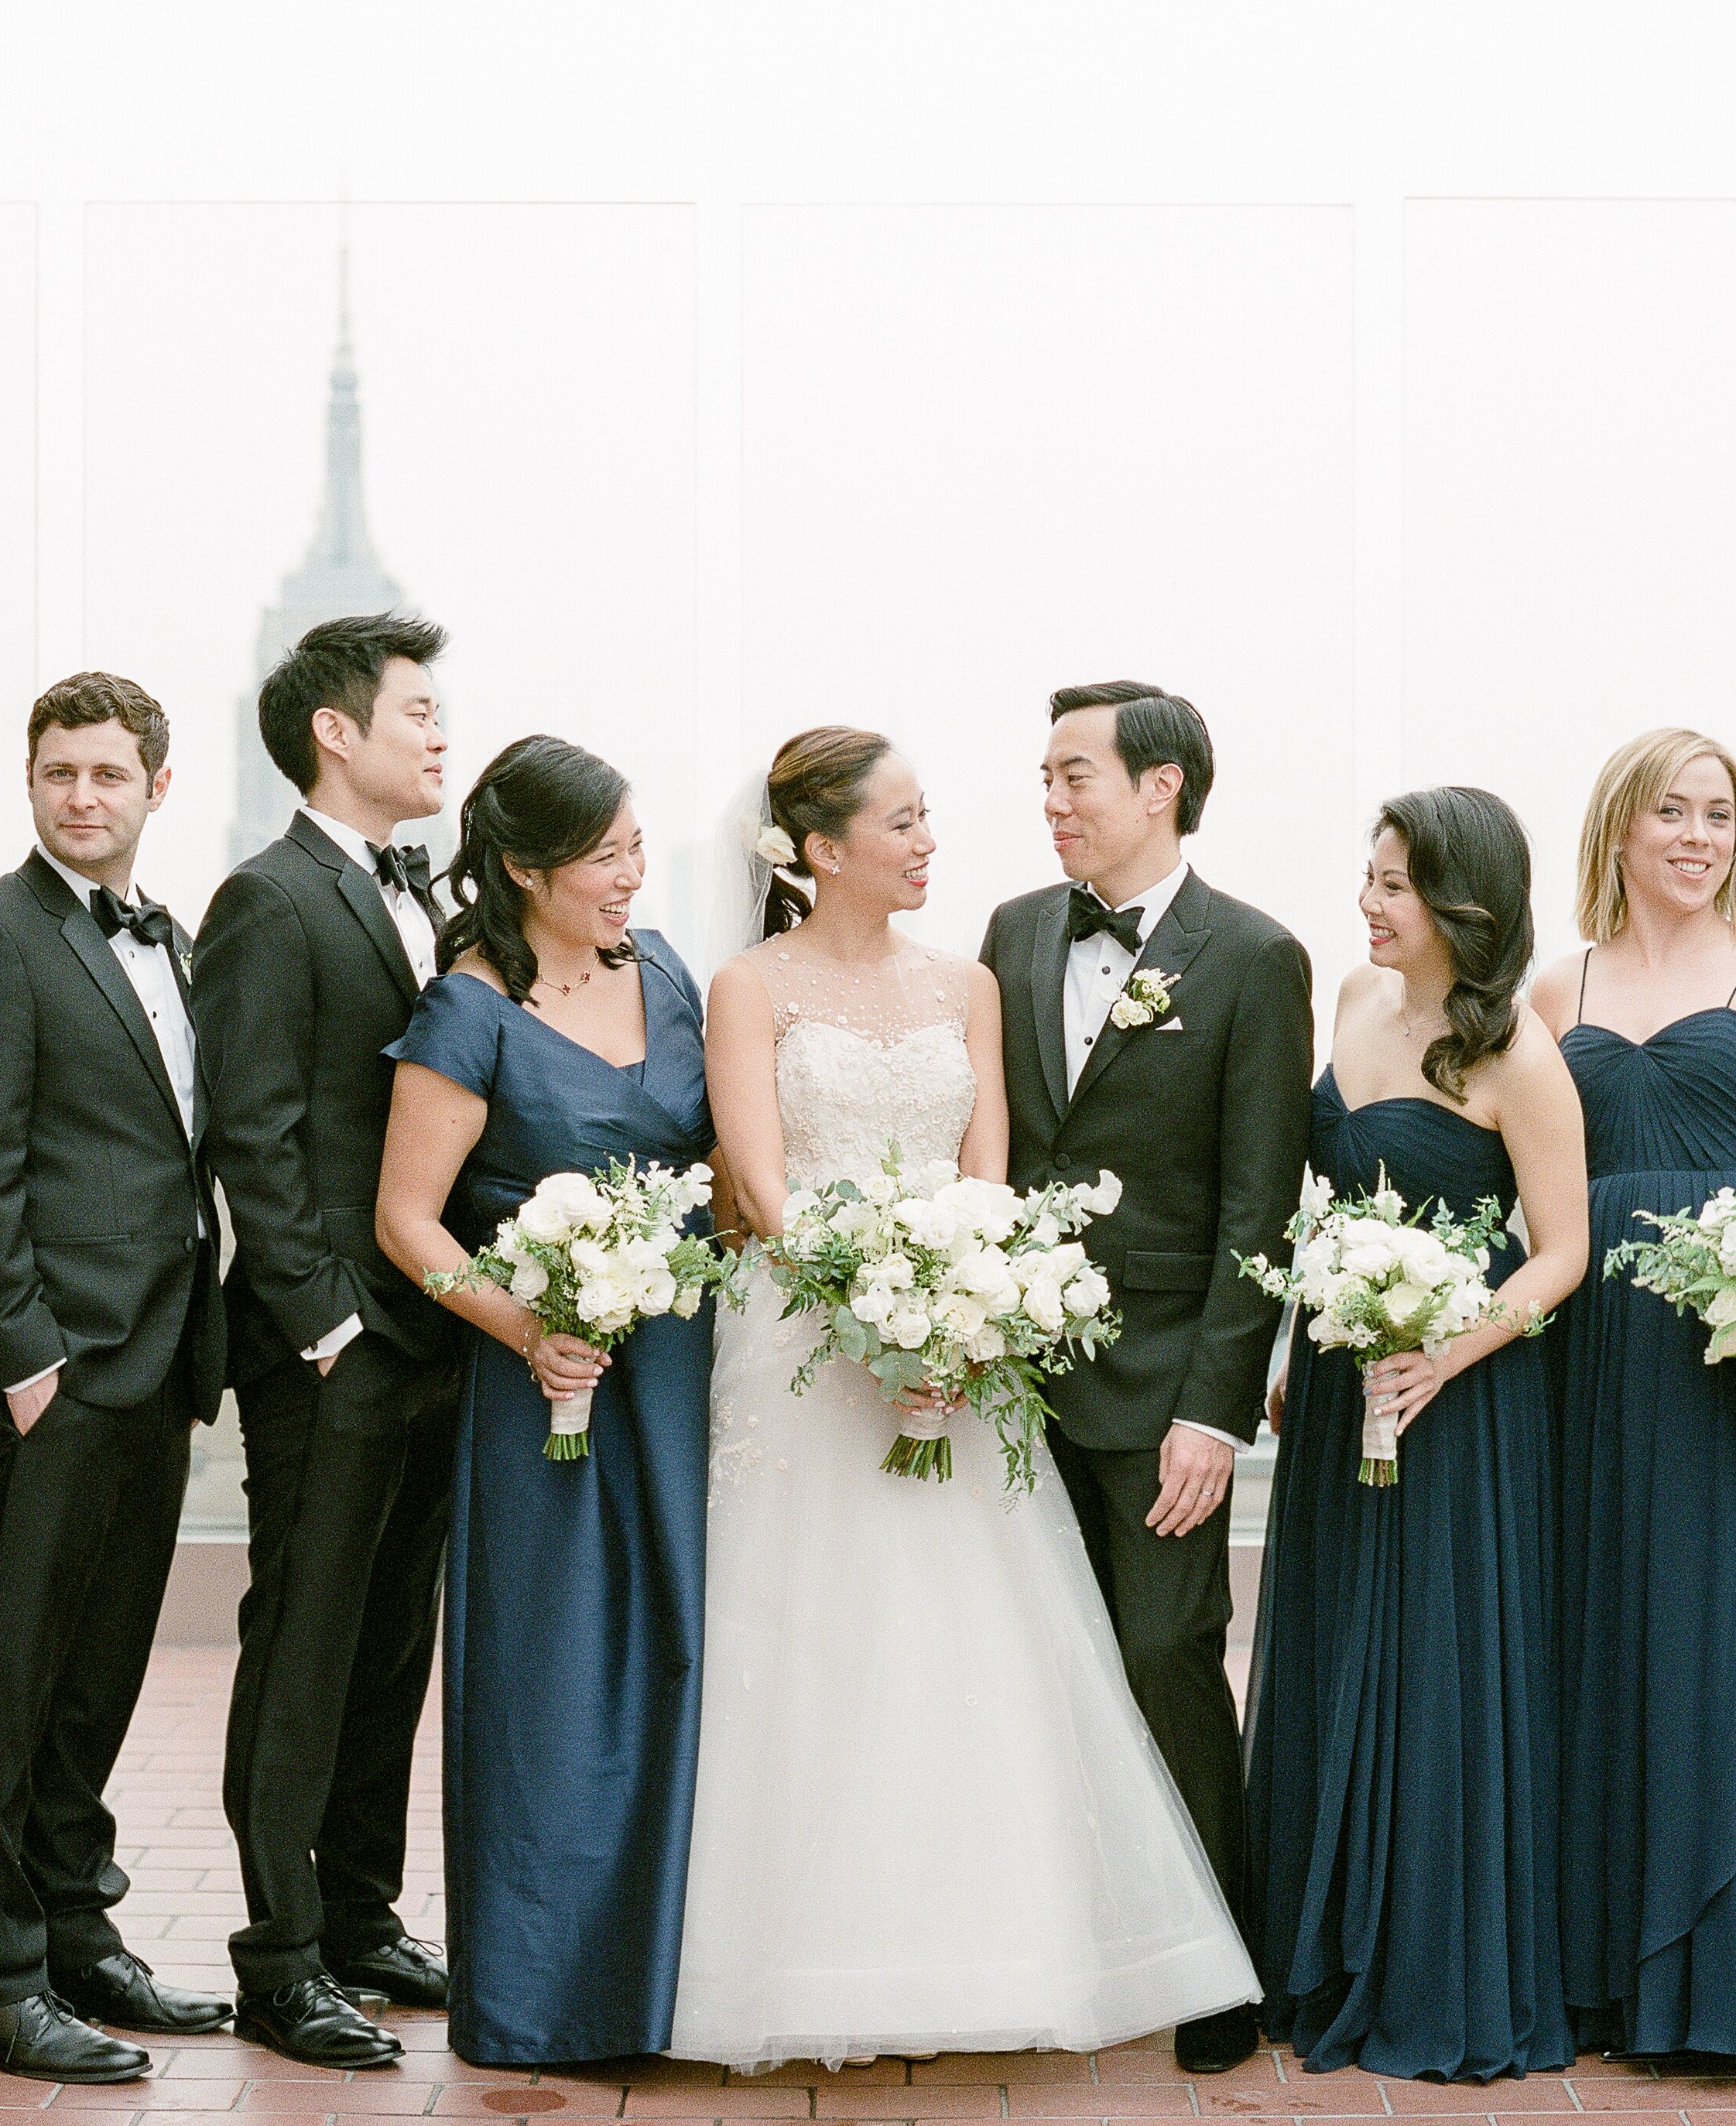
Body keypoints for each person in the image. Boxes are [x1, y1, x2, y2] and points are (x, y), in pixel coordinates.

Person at [669, 727, 1258, 2071]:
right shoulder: (749, 986)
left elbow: (990, 1169)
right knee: (818, 1643)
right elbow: (761, 1185)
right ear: (821, 851)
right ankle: (809, 1958)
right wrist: (872, 1323)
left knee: (968, 1649)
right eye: (903, 822)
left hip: (965, 1346)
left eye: (930, 817)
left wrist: (959, 1310)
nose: (933, 840)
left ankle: (988, 1947)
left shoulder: (971, 982)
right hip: (806, 1353)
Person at [975, 680, 1312, 2075]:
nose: (1050, 802)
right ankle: (1059, 1937)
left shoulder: (1255, 956)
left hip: (1166, 1382)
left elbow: (1260, 1209)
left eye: (1074, 778)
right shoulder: (1008, 932)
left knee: (1168, 1656)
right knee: (1022, 1672)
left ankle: (1220, 1960)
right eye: (1046, 779)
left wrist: (1213, 1415)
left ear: (1160, 787)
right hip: (1008, 1380)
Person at [375, 736, 716, 2067]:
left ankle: (673, 1984)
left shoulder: (668, 971)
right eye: (609, 855)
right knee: (558, 1684)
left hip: (681, 1375)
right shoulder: (469, 1009)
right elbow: (408, 1218)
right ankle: (543, 1995)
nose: (635, 875)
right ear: (526, 867)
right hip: (547, 1393)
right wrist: (528, 1329)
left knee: (688, 1655)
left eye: (640, 846)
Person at [0, 673, 231, 2083]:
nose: (80, 797)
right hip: (53, 1368)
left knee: (99, 1674)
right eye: (58, 774)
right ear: (30, 783)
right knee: (12, 1675)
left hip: (161, 1355)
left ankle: (76, 1930)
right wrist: (24, 1357)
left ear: (158, 786)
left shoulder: (176, 937)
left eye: (106, 774)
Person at [1531, 727, 1736, 2059]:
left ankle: (1733, 1975)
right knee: (1598, 1622)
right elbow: (1529, 1191)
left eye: (1718, 815)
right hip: (1590, 1356)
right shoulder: (1556, 990)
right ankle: (1604, 1967)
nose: (1695, 836)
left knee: (1722, 1632)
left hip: (1728, 1348)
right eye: (1669, 811)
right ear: (1619, 826)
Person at [1246, 787, 1587, 2081]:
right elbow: (1318, 1207)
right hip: (1343, 1383)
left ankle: (1433, 1960)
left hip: (1460, 1401)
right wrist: (1298, 1350)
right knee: (1337, 1646)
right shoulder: (1348, 1002)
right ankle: (1322, 1938)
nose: (1370, 905)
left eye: (1394, 885)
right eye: (1370, 878)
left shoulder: (1522, 1055)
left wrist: (1446, 1353)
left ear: (1462, 906)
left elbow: (1564, 1251)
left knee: (1438, 1664)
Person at [193, 615, 464, 2068]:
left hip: (436, 1341)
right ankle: (278, 1956)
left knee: (389, 1647)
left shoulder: (433, 894)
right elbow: (254, 1132)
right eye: (417, 710)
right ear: (335, 734)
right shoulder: (269, 900)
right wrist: (327, 1330)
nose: (440, 733)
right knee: (303, 1648)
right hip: (336, 1352)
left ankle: (360, 1916)